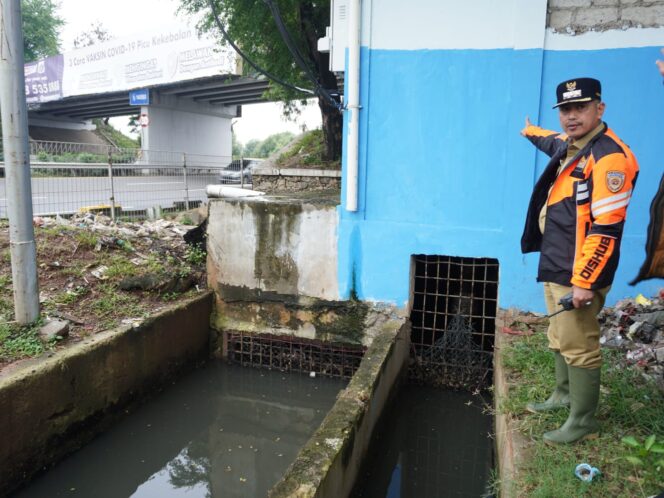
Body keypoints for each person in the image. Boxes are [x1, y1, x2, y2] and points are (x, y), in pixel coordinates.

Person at [520, 77, 639, 445]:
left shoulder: (609, 158)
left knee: (579, 342)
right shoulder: (571, 145)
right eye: (565, 110)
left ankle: (582, 420)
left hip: (579, 271)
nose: (571, 117)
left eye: (580, 108)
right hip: (556, 260)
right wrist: (529, 131)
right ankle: (563, 395)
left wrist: (585, 282)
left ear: (599, 109)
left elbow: (606, 229)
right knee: (559, 334)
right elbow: (548, 140)